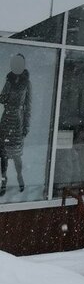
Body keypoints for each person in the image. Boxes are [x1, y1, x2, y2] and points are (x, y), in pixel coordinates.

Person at [0, 54, 31, 196]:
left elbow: (28, 107)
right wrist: (8, 86)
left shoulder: (27, 83)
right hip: (6, 119)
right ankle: (3, 180)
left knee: (17, 154)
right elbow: (2, 99)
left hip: (18, 121)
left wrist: (26, 126)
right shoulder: (9, 80)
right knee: (3, 154)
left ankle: (19, 176)